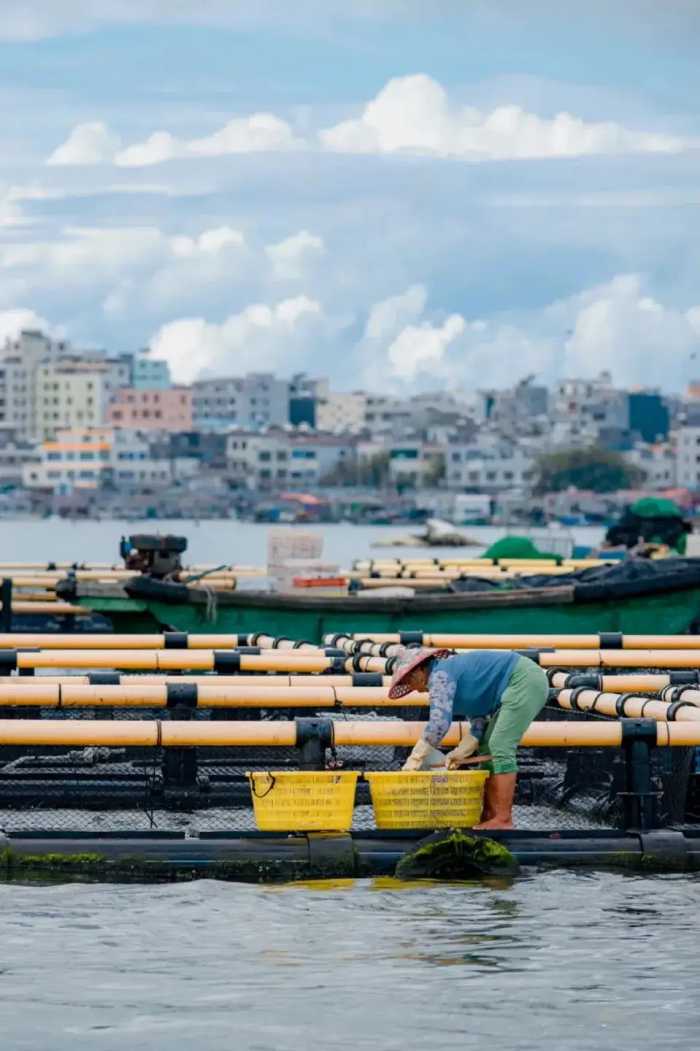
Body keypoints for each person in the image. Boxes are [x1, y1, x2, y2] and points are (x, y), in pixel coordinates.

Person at [388, 647, 548, 830]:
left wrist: (415, 758)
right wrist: (462, 751)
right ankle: (490, 814)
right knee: (487, 746)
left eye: (408, 680)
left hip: (523, 679)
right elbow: (479, 722)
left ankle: (503, 818)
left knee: (500, 746)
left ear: (419, 671)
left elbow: (439, 724)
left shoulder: (440, 676)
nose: (412, 688)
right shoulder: (448, 675)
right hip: (520, 682)